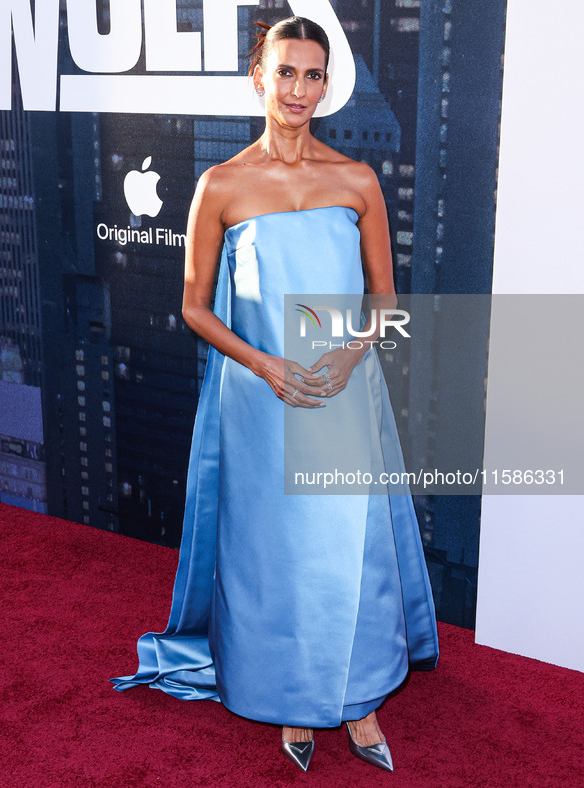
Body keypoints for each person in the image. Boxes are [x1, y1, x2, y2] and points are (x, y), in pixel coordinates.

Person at [110, 16, 439, 773]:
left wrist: (353, 358)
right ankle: (288, 693)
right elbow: (195, 307)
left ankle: (356, 699)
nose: (297, 89)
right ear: (258, 76)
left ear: (328, 86)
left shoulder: (357, 181)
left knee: (350, 553)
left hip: (341, 394)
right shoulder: (219, 185)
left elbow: (387, 302)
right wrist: (264, 366)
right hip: (259, 399)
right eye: (285, 72)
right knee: (272, 555)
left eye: (313, 75)